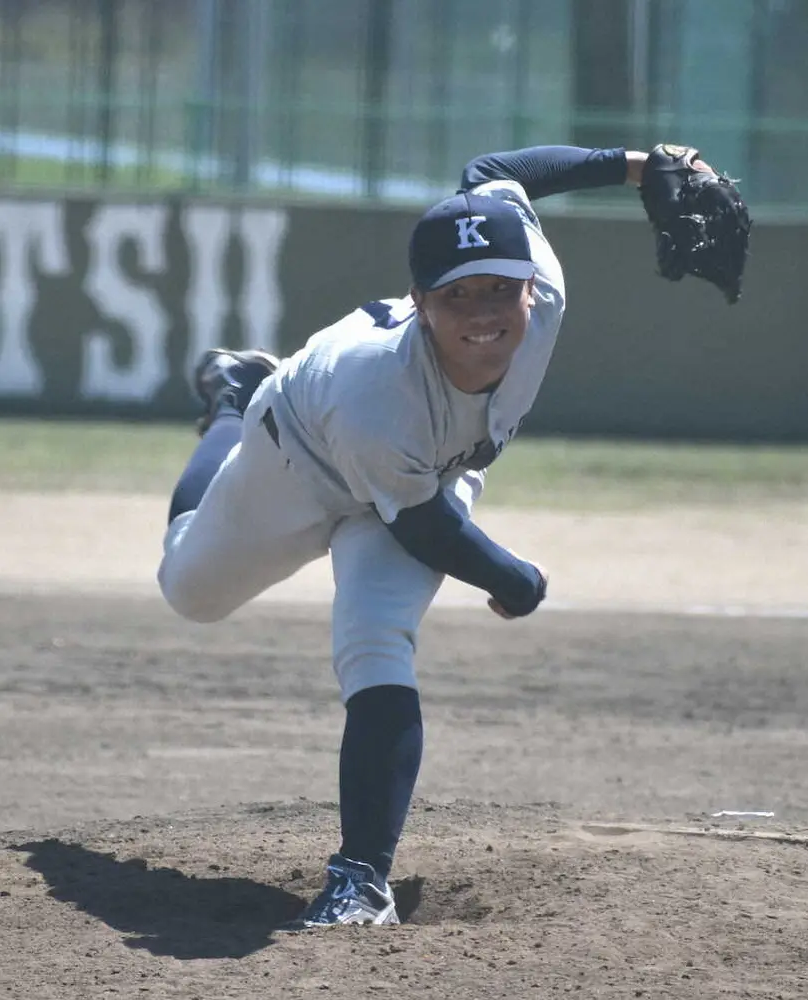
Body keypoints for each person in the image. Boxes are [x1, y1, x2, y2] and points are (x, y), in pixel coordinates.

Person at [158, 144, 652, 928]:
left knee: (375, 640)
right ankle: (233, 396)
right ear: (420, 303)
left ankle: (360, 879)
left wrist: (639, 165)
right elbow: (426, 529)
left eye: (500, 288)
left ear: (530, 285)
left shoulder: (545, 294)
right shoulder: (375, 391)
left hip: (425, 474)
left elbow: (495, 171)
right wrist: (514, 580)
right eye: (459, 298)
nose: (486, 313)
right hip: (303, 452)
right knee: (187, 590)